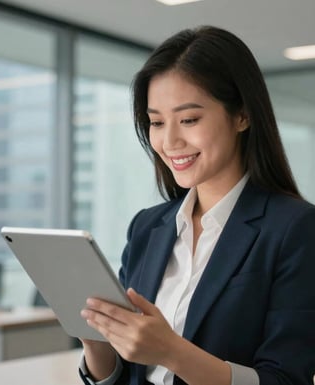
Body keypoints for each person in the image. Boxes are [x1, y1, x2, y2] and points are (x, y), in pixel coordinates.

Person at [78, 26, 315, 385]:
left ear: (242, 116)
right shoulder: (146, 227)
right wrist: (96, 341)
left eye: (189, 119)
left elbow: (286, 380)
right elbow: (127, 375)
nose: (169, 141)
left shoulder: (294, 228)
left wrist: (172, 352)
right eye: (156, 122)